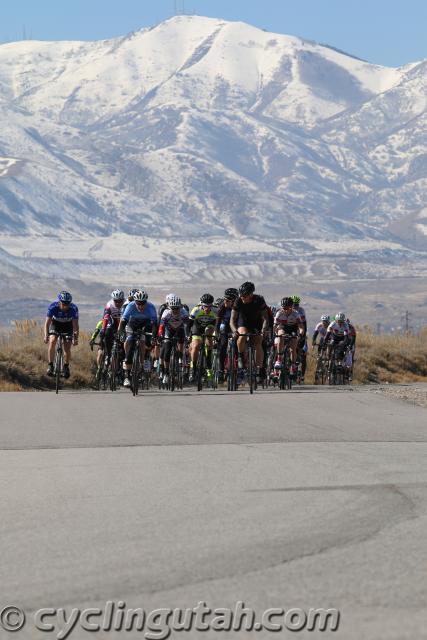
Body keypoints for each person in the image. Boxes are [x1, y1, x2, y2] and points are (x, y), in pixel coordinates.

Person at [230, 282, 269, 381]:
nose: (242, 297)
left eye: (244, 296)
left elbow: (265, 319)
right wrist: (234, 331)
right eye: (241, 295)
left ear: (251, 294)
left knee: (258, 341)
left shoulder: (259, 300)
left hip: (256, 323)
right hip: (242, 322)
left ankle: (259, 369)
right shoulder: (238, 301)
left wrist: (263, 330)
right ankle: (240, 357)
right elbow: (232, 320)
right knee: (242, 334)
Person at [118, 290, 157, 388]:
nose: (140, 306)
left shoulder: (151, 307)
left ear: (146, 302)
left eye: (143, 303)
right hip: (133, 324)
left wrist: (153, 336)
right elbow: (123, 321)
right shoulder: (130, 306)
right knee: (130, 344)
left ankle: (142, 363)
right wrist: (122, 332)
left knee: (144, 341)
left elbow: (154, 324)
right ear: (135, 302)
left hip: (145, 324)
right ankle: (127, 376)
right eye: (138, 303)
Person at [44, 291, 79, 378]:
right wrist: (46, 335)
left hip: (68, 325)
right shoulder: (53, 307)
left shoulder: (73, 309)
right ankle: (50, 365)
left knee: (67, 347)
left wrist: (76, 338)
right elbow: (47, 324)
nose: (65, 306)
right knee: (52, 341)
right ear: (59, 302)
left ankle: (66, 367)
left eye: (67, 304)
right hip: (55, 324)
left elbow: (75, 326)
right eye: (63, 304)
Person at [158, 295, 189, 385]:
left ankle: (179, 358)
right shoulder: (166, 313)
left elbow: (187, 325)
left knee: (181, 343)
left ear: (180, 307)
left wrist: (187, 335)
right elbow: (161, 326)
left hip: (180, 330)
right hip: (169, 330)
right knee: (167, 350)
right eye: (173, 308)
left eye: (177, 308)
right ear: (169, 307)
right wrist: (160, 335)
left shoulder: (184, 312)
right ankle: (166, 373)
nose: (175, 310)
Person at [188, 293, 217, 382]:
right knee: (195, 346)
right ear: (201, 304)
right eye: (205, 306)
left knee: (209, 342)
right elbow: (189, 324)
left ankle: (208, 367)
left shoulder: (216, 310)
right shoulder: (196, 310)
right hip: (197, 328)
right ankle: (193, 368)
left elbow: (218, 324)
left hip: (209, 327)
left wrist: (216, 335)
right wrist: (188, 335)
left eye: (209, 306)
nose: (207, 309)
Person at [273, 297, 305, 376]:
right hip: (283, 328)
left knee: (293, 347)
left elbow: (301, 327)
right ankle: (279, 359)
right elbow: (275, 326)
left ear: (291, 307)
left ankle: (293, 364)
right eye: (284, 308)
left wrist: (300, 334)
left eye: (288, 308)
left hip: (292, 329)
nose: (285, 310)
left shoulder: (296, 314)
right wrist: (275, 333)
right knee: (281, 335)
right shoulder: (279, 313)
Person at [95, 289, 125, 372]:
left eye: (120, 301)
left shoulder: (126, 304)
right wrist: (103, 329)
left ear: (123, 300)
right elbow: (105, 318)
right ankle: (108, 355)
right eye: (116, 301)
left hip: (122, 324)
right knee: (107, 333)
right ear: (113, 300)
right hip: (112, 323)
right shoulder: (109, 305)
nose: (118, 303)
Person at [215, 288, 239, 382]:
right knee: (223, 344)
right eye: (224, 299)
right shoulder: (222, 306)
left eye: (227, 300)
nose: (225, 301)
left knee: (237, 345)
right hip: (224, 326)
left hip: (235, 326)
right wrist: (217, 333)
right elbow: (218, 321)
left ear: (233, 301)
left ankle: (238, 366)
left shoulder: (238, 307)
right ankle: (221, 369)